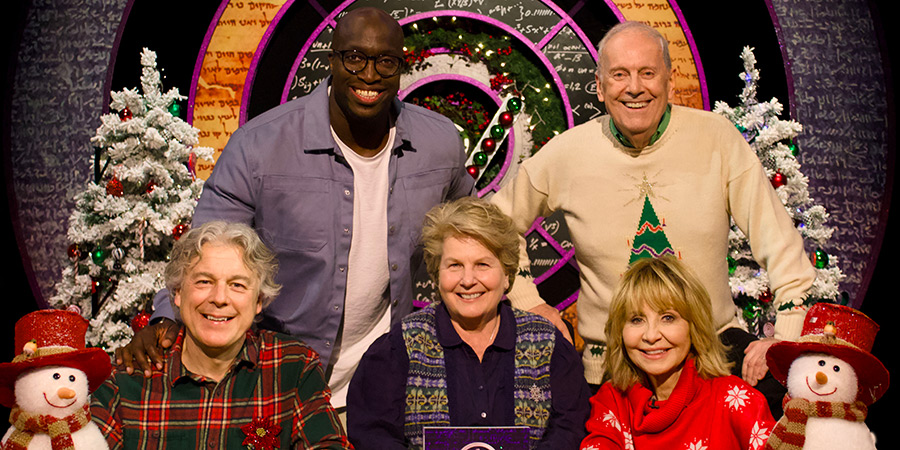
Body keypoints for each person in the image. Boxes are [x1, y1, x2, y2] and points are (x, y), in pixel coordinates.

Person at [116, 6, 474, 415]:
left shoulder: (438, 142)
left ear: (401, 67)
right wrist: (167, 320)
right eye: (354, 58)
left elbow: (476, 232)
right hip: (275, 387)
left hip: (383, 390)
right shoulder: (259, 146)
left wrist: (523, 302)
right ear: (332, 60)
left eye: (385, 62)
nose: (370, 75)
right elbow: (204, 249)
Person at [491, 21, 815, 403]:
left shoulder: (717, 139)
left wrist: (784, 340)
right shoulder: (567, 153)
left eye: (648, 73)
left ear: (669, 80)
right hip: (613, 367)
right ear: (599, 85)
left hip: (711, 353)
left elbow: (781, 245)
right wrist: (532, 305)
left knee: (790, 399)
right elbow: (494, 228)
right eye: (619, 75)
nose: (634, 88)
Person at [346, 197, 590, 449]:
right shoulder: (401, 347)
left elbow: (571, 426)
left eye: (482, 265)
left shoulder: (547, 344)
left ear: (507, 275)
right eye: (454, 265)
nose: (468, 280)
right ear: (436, 274)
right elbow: (372, 432)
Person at [90, 221, 351, 449]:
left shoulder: (293, 367)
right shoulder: (128, 377)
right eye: (204, 281)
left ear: (258, 301)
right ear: (178, 294)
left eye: (237, 285)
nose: (219, 298)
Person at [580, 256, 775, 449]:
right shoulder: (612, 400)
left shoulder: (733, 398)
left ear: (694, 326)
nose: (651, 335)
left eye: (667, 318)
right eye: (637, 320)